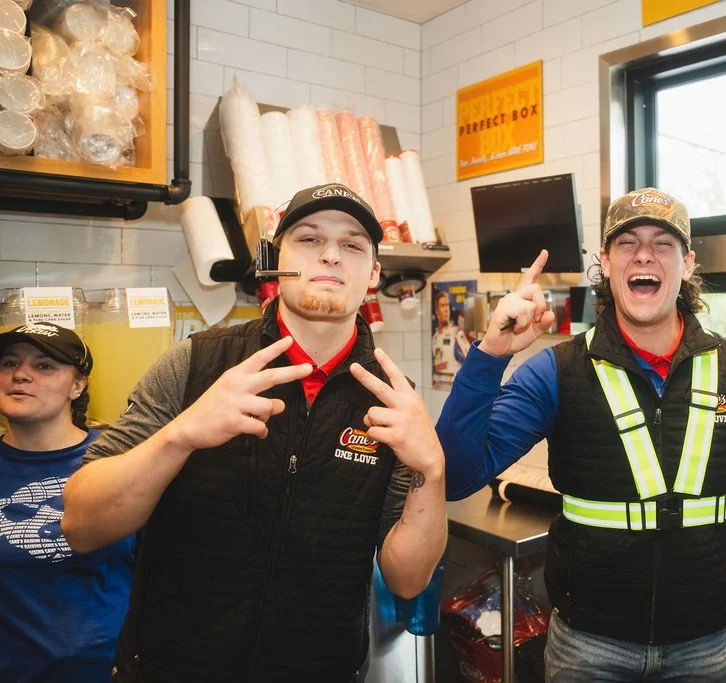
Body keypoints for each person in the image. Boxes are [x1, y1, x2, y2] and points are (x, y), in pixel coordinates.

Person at [61, 183, 448, 683]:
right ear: (273, 258)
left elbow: (408, 578)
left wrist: (431, 471)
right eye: (308, 239)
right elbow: (81, 524)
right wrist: (181, 435)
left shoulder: (394, 398)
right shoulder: (196, 363)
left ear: (372, 273)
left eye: (352, 245)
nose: (331, 255)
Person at [437, 188, 726, 682]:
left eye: (663, 243)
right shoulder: (556, 371)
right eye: (627, 242)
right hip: (587, 649)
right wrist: (490, 353)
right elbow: (456, 475)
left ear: (687, 263)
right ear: (606, 262)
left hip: (704, 646)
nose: (644, 254)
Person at [0, 323, 134, 682]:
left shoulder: (120, 460)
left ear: (78, 386)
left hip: (108, 671)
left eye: (44, 366)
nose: (21, 375)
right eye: (9, 363)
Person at [432, 289, 471, 386]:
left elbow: (470, 363)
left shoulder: (456, 334)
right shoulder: (435, 336)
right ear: (437, 311)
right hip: (439, 387)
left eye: (447, 305)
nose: (446, 309)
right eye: (442, 306)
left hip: (456, 389)